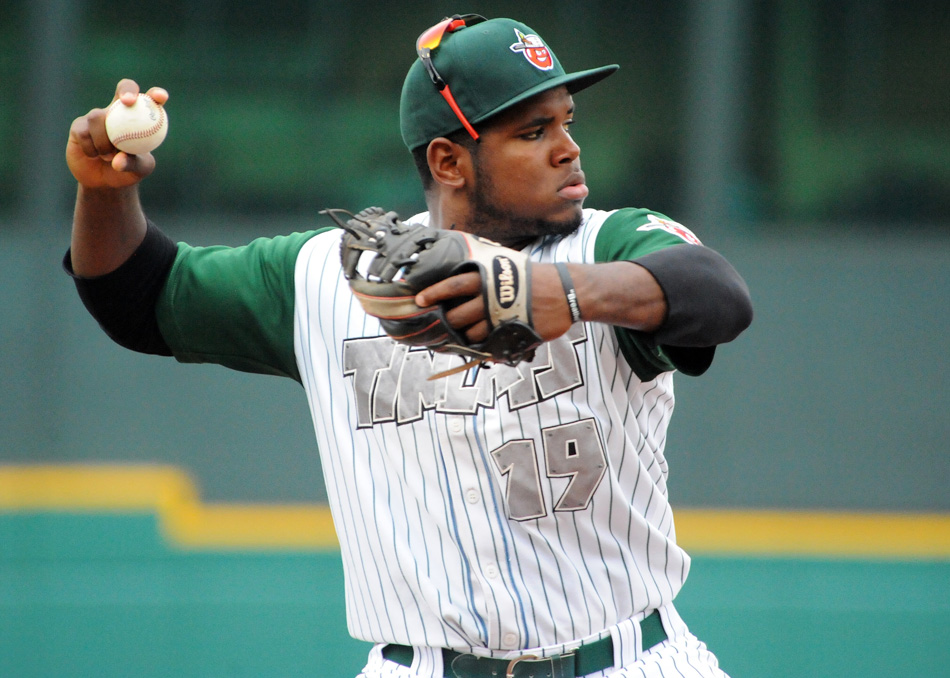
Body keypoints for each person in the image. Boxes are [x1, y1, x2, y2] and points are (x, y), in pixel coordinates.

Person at [65, 14, 752, 678]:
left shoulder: (606, 244)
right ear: (449, 160)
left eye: (567, 122)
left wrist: (562, 293)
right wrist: (102, 193)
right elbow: (139, 297)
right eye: (533, 130)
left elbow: (717, 295)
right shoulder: (324, 278)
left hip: (627, 657)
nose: (567, 147)